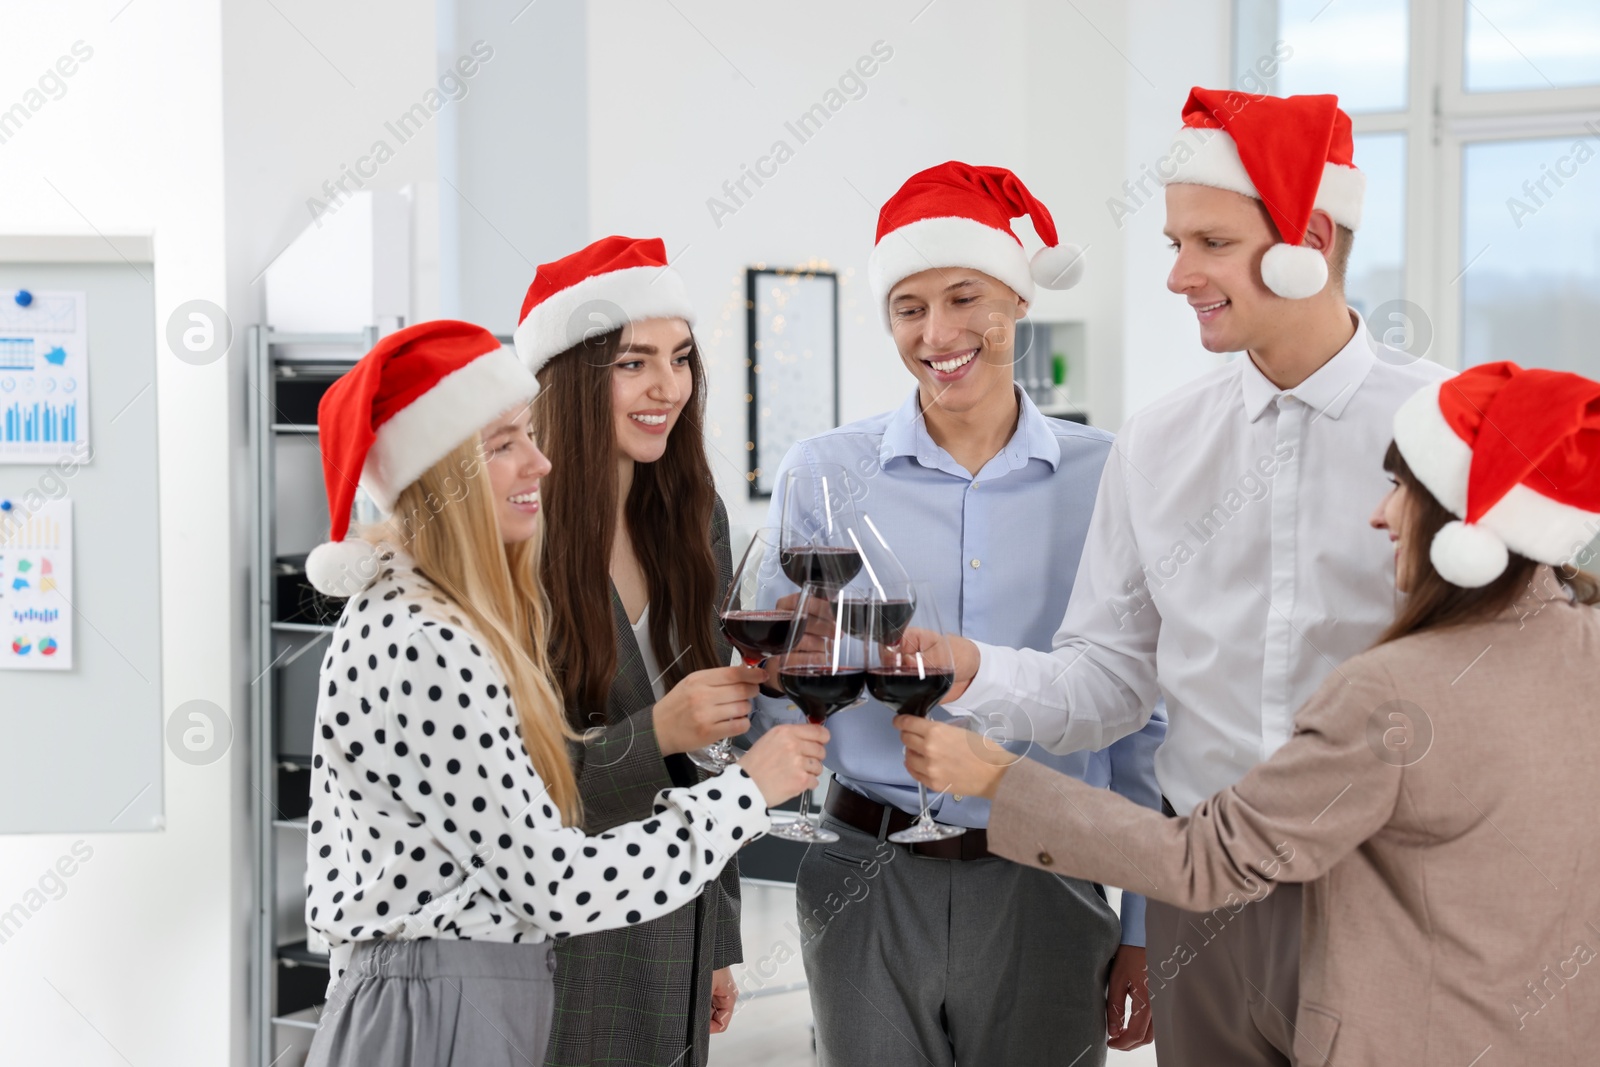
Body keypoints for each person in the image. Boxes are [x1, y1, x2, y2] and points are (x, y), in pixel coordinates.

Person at [925, 90, 1454, 1066]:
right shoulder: (1159, 440)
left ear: (1310, 234)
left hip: (1391, 893)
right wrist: (970, 668)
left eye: (1208, 241)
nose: (1177, 274)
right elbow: (1109, 680)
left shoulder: (1444, 430)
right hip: (1199, 894)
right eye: (1174, 241)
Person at [899, 360, 1600, 1067]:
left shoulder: (1391, 687)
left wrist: (996, 777)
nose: (1380, 514)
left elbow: (1205, 859)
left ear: (1467, 529)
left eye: (1401, 489)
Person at [296, 319, 828, 1067]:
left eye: (529, 434)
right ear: (440, 473)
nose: (539, 461)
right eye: (505, 442)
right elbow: (556, 883)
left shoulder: (444, 615)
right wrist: (746, 792)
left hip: (477, 987)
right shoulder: (425, 638)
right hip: (445, 999)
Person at [753, 161, 1168, 1066]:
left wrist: (1145, 921)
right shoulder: (822, 472)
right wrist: (775, 678)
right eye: (909, 306)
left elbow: (1142, 714)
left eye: (963, 296)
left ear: (1017, 299)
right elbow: (778, 702)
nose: (938, 333)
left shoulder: (1110, 475)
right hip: (863, 871)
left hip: (1050, 875)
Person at [512, 235, 756, 1067]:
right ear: (574, 376)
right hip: (562, 937)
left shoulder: (695, 519)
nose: (668, 388)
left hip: (678, 925)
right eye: (634, 362)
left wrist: (717, 933)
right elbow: (513, 784)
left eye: (681, 359)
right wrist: (657, 732)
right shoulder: (512, 542)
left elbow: (716, 755)